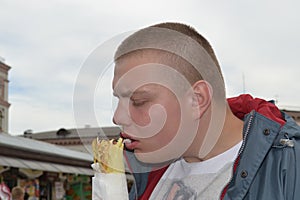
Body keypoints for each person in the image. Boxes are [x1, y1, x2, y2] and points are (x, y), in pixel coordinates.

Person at [111, 22, 300, 199]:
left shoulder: (288, 168)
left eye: (138, 101)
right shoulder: (149, 172)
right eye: (119, 100)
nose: (117, 117)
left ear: (197, 100)